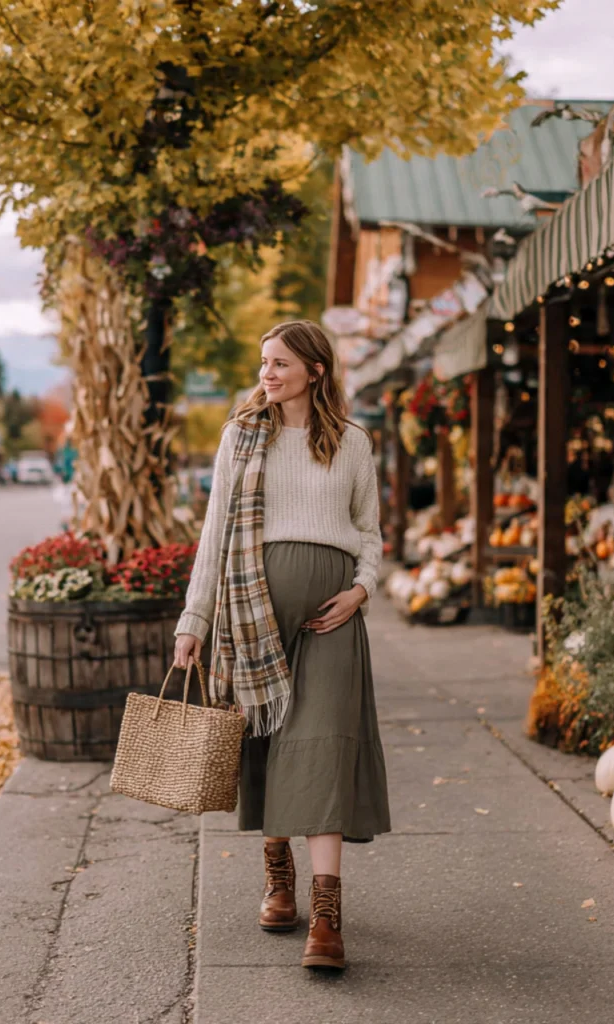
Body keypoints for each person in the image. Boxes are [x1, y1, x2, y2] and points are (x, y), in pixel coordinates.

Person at [174, 320, 391, 971]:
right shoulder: (241, 438)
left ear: (314, 370)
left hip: (332, 617)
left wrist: (361, 590)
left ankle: (327, 919)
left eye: (279, 363)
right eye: (263, 362)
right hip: (251, 615)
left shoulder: (352, 443)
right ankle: (277, 877)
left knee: (323, 746)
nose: (266, 374)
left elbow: (371, 534)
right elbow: (215, 536)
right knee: (266, 742)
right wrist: (194, 621)